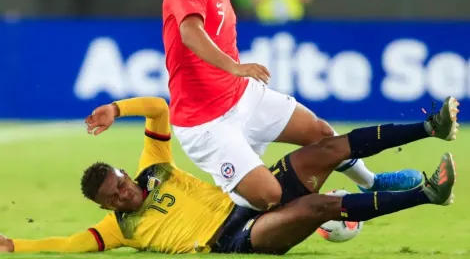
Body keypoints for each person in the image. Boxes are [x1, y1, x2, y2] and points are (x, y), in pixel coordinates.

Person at [162, 0, 424, 210]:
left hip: (240, 96)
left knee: (321, 133)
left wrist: (235, 76)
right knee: (267, 197)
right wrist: (234, 67)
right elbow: (189, 32)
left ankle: (370, 181)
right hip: (206, 122)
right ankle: (231, 205)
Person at [0, 96, 459, 254]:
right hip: (235, 240)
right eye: (114, 198)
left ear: (124, 173)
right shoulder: (116, 230)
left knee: (327, 146)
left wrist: (117, 109)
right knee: (317, 207)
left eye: (120, 183)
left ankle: (429, 127)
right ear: (106, 207)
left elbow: (160, 109)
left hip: (248, 198)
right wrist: (16, 245)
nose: (123, 194)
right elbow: (66, 244)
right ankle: (428, 194)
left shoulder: (153, 168)